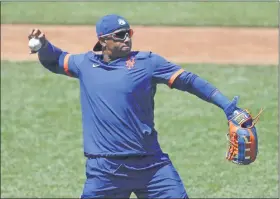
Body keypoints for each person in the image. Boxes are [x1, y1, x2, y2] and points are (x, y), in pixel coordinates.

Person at [28, 14, 247, 198]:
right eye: (120, 35)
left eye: (129, 33)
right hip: (105, 169)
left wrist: (227, 107)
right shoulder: (85, 64)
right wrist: (44, 46)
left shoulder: (148, 62)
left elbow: (188, 80)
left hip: (151, 165)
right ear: (103, 41)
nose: (127, 39)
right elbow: (55, 60)